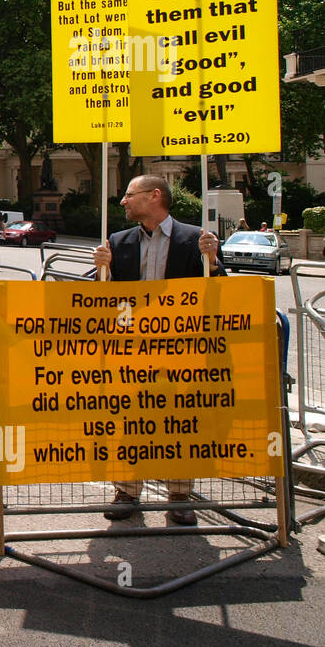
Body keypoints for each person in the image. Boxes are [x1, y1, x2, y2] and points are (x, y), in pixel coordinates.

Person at [92, 175, 223, 527]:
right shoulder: (117, 242)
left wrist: (212, 258)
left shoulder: (196, 239)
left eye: (129, 195)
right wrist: (101, 269)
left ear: (154, 197)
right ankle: (126, 491)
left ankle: (179, 496)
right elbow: (103, 301)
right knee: (129, 419)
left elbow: (219, 293)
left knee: (178, 420)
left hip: (181, 350)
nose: (123, 202)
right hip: (132, 351)